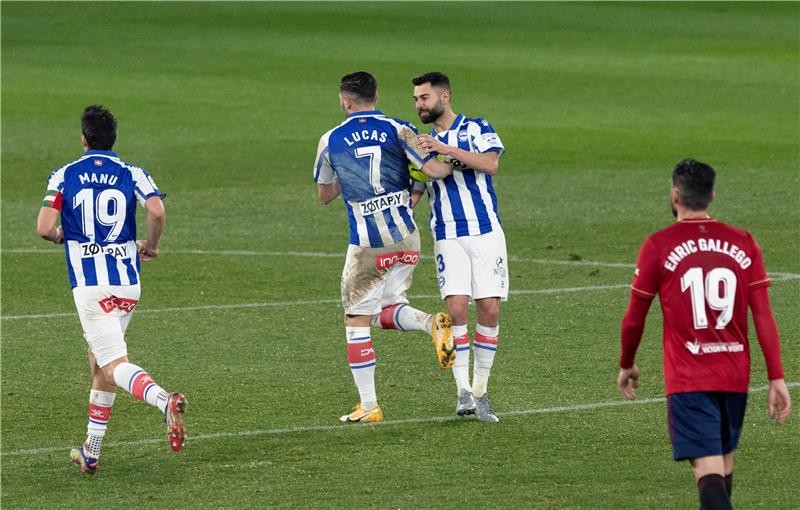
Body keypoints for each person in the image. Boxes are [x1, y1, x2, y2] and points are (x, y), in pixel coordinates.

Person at [616, 159, 792, 509]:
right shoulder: (743, 242)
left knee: (707, 470)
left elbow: (634, 319)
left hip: (690, 378)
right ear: (712, 196)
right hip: (734, 376)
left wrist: (627, 363)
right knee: (722, 464)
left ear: (675, 195)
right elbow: (763, 315)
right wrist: (776, 377)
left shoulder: (659, 245)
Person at [36, 105, 187, 475]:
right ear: (113, 139)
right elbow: (157, 211)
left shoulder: (65, 175)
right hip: (128, 284)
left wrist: (61, 237)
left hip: (92, 288)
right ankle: (91, 451)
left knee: (114, 364)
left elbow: (44, 227)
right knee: (100, 362)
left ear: (84, 138)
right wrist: (151, 246)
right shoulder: (132, 172)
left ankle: (164, 400)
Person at [313, 71, 457, 424]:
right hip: (407, 237)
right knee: (386, 309)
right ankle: (430, 324)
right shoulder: (399, 129)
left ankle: (369, 405)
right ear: (376, 96)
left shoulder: (330, 140)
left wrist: (349, 175)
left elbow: (325, 195)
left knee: (356, 320)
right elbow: (436, 171)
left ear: (345, 100)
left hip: (368, 245)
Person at [410, 71, 508, 423]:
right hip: (447, 233)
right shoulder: (419, 144)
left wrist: (447, 151)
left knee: (489, 310)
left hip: (486, 231)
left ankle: (481, 391)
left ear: (445, 96)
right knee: (456, 309)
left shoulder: (476, 127)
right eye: (416, 100)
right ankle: (463, 391)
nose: (419, 105)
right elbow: (416, 191)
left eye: (424, 98)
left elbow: (490, 164)